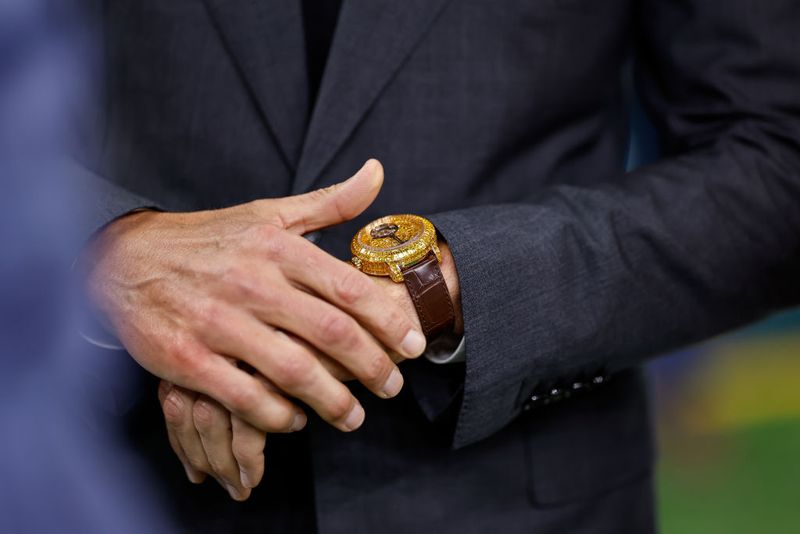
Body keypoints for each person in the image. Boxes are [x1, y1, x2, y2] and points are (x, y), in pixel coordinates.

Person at [79, 1, 800, 532]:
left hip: (523, 503)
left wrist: (451, 289)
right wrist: (109, 247)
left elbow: (777, 162)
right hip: (121, 488)